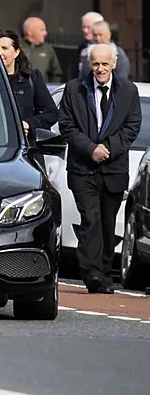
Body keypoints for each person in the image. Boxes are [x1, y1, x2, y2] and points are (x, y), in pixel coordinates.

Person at [58, 43, 141, 294]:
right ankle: (91, 273)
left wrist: (108, 148)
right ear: (89, 65)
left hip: (113, 170)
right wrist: (91, 148)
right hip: (83, 169)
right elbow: (67, 126)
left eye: (105, 64)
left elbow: (132, 126)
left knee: (106, 224)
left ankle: (104, 273)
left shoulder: (128, 91)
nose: (100, 69)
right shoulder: (74, 89)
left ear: (114, 64)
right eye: (96, 64)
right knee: (90, 219)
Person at [0, 29, 58, 136]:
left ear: (16, 52)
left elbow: (51, 113)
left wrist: (28, 124)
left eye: (5, 48)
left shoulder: (32, 78)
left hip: (25, 145)